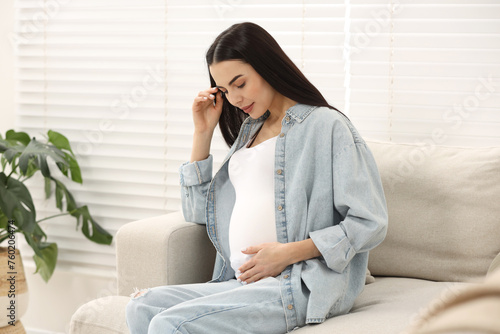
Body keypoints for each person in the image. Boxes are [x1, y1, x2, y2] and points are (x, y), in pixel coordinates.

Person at [126, 22, 388, 334]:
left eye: (240, 83)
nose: (234, 98)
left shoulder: (326, 126)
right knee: (142, 305)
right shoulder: (249, 131)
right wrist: (202, 132)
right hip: (237, 281)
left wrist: (286, 254)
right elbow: (199, 215)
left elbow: (369, 222)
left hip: (296, 283)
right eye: (224, 90)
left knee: (171, 325)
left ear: (268, 67)